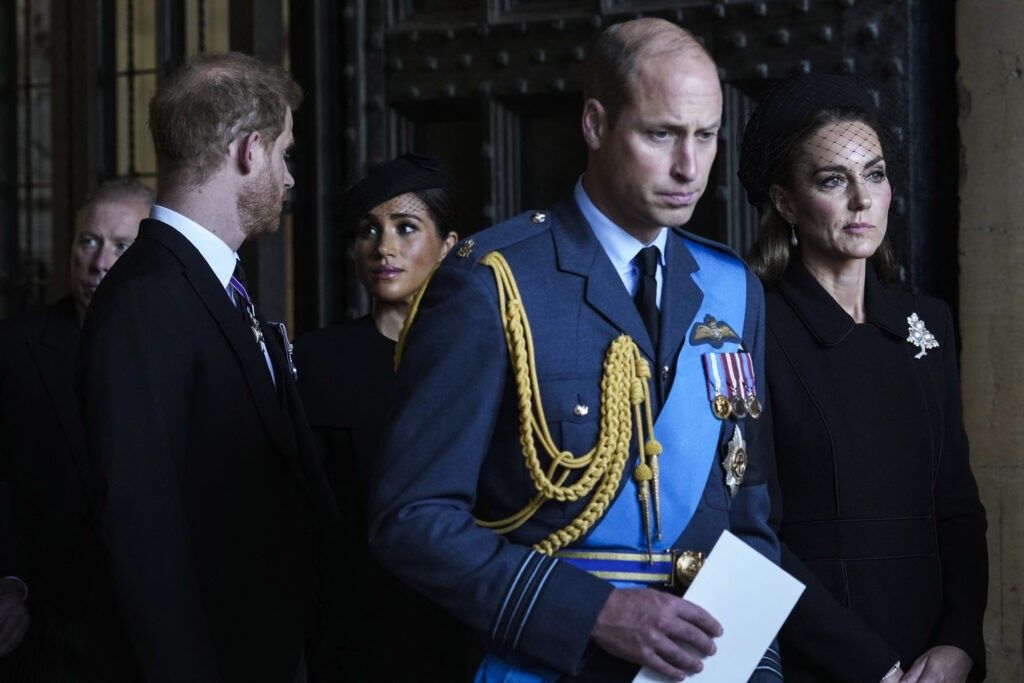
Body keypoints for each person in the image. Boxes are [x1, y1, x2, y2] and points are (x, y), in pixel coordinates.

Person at [369, 18, 782, 682]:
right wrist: (594, 611)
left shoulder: (732, 288)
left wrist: (756, 670)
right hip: (547, 663)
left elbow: (750, 513)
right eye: (661, 134)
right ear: (595, 125)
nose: (689, 166)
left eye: (706, 136)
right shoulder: (493, 284)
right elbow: (411, 519)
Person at [75, 52, 342, 682]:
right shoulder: (146, 300)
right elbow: (141, 532)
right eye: (285, 154)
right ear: (250, 151)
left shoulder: (212, 282)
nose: (290, 178)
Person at [741, 73, 988, 683]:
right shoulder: (752, 328)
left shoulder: (926, 322)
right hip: (818, 657)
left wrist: (959, 643)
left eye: (874, 175)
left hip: (935, 661)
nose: (862, 200)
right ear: (785, 201)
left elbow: (956, 506)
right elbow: (752, 533)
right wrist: (871, 667)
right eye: (833, 180)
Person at [292, 152, 463, 681]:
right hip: (350, 629)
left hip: (458, 621)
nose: (383, 248)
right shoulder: (315, 360)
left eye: (405, 228)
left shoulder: (479, 359)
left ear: (448, 246)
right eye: (369, 230)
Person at [0, 178, 151, 681]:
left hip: (146, 623)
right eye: (89, 241)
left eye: (122, 246)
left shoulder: (171, 351)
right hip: (45, 621)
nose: (100, 262)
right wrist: (9, 581)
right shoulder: (16, 349)